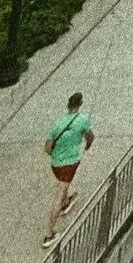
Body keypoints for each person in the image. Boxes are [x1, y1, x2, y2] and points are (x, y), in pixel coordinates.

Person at [44, 91, 95, 244]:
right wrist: (87, 145)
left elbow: (47, 148)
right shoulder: (83, 120)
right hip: (70, 163)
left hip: (56, 164)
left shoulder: (58, 123)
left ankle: (67, 201)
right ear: (80, 104)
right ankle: (49, 233)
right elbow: (90, 136)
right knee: (58, 196)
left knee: (62, 183)